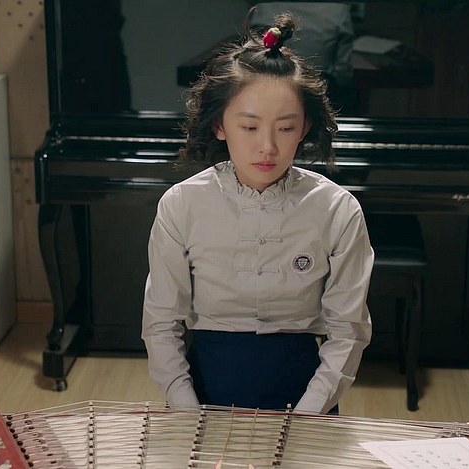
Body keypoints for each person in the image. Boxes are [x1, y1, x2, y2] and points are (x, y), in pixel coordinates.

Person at [141, 8, 373, 415]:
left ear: (304, 128)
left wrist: (308, 412)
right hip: (205, 383)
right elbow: (162, 323)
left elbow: (347, 332)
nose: (267, 146)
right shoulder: (182, 204)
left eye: (285, 128)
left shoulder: (337, 209)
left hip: (305, 386)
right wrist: (185, 409)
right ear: (219, 125)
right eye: (249, 127)